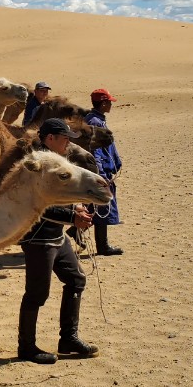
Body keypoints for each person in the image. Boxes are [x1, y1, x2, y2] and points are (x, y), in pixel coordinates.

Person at [17, 118, 100, 364]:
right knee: (36, 294)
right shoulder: (35, 166)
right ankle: (26, 347)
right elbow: (37, 205)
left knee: (76, 279)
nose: (68, 144)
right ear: (50, 138)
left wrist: (77, 207)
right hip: (38, 238)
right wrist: (72, 217)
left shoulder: (56, 162)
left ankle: (68, 339)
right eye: (65, 139)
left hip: (56, 235)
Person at [85, 88, 124, 256]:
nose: (111, 105)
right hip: (101, 172)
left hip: (102, 170)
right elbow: (96, 151)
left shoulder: (94, 119)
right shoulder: (95, 122)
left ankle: (75, 231)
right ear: (103, 103)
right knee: (102, 208)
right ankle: (103, 246)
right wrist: (100, 174)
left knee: (92, 206)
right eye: (109, 102)